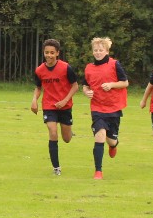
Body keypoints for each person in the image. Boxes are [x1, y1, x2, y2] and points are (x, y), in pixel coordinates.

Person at [81, 37, 130, 180]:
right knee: (100, 135)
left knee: (111, 140)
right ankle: (98, 171)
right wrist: (86, 92)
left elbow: (125, 83)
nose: (98, 52)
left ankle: (113, 145)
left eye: (101, 50)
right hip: (97, 108)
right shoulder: (89, 68)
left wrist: (112, 85)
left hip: (114, 108)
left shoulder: (115, 64)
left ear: (107, 51)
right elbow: (85, 85)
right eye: (95, 50)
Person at [31, 39, 80, 175]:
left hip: (65, 106)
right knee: (52, 132)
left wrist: (65, 100)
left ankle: (69, 131)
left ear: (57, 53)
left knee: (67, 139)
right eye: (47, 52)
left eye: (52, 53)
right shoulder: (39, 70)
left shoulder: (66, 68)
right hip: (49, 106)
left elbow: (75, 86)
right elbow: (38, 88)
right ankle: (56, 167)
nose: (49, 55)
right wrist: (34, 100)